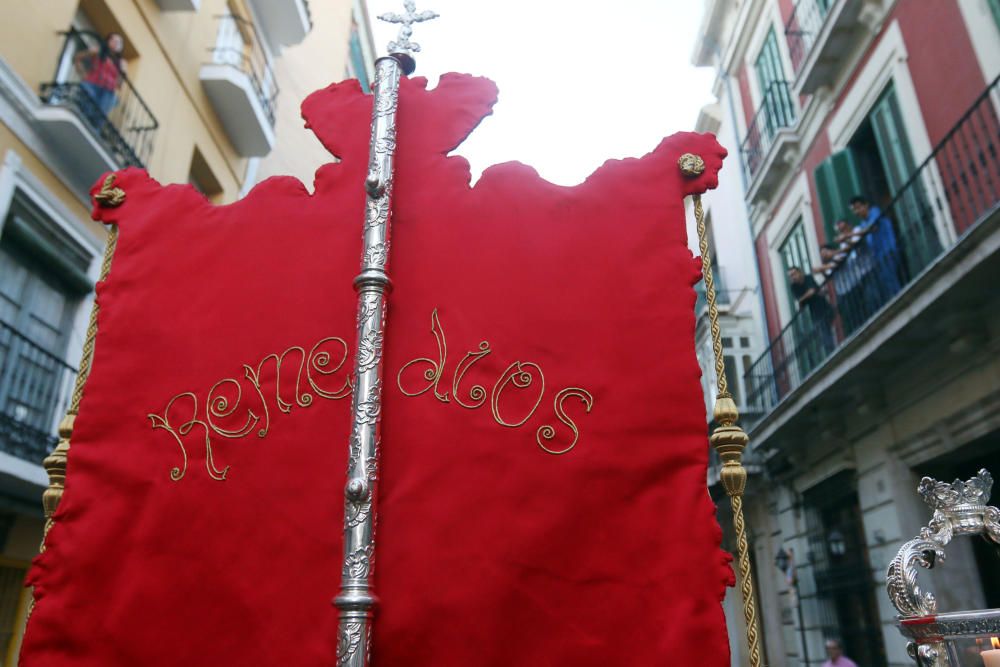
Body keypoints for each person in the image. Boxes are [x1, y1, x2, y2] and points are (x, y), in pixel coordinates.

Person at [849, 195, 902, 302]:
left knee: (892, 280)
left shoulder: (874, 212)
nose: (857, 212)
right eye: (854, 210)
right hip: (878, 258)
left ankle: (900, 297)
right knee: (887, 283)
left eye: (858, 207)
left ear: (866, 205)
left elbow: (872, 228)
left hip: (888, 251)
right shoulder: (862, 224)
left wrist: (847, 236)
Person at [787, 266, 835, 372]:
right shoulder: (794, 287)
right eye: (791, 276)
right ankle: (832, 353)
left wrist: (803, 299)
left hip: (824, 306)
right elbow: (800, 301)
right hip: (815, 313)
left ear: (800, 272)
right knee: (823, 333)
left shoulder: (808, 278)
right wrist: (804, 298)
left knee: (826, 330)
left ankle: (833, 353)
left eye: (794, 274)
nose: (793, 277)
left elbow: (811, 292)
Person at [74, 32, 126, 126]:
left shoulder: (120, 63)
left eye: (118, 42)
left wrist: (122, 72)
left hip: (108, 91)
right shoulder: (98, 51)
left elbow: (119, 84)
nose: (115, 43)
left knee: (98, 118)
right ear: (108, 41)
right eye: (113, 40)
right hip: (92, 84)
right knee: (86, 109)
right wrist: (83, 74)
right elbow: (78, 57)